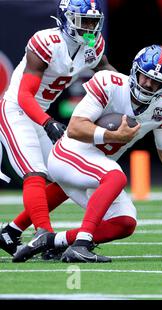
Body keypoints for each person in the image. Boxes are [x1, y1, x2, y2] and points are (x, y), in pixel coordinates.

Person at [12, 45, 162, 263]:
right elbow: (75, 128)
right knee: (116, 175)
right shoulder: (110, 83)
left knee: (125, 222)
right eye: (145, 77)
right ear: (135, 71)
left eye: (157, 83)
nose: (148, 85)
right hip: (69, 153)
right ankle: (81, 244)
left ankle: (51, 241)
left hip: (96, 169)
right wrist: (114, 136)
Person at [0, 0, 116, 256]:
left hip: (40, 113)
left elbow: (109, 76)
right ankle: (43, 235)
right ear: (65, 19)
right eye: (83, 21)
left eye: (93, 22)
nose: (89, 28)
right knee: (35, 172)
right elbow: (24, 96)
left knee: (64, 176)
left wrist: (127, 93)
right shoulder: (45, 42)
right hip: (17, 109)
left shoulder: (93, 47)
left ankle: (11, 232)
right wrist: (47, 122)